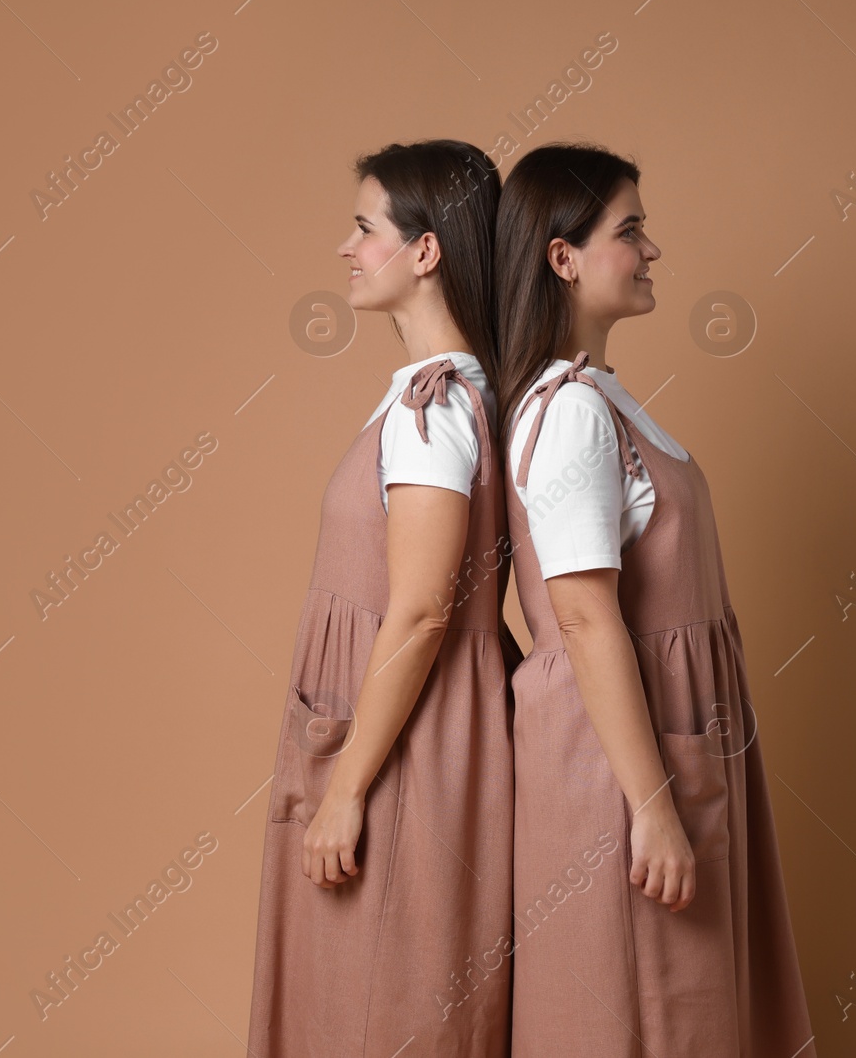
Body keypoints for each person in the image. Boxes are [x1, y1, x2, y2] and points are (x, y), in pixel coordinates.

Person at [494, 141, 818, 1057]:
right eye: (630, 229)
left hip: (665, 747)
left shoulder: (600, 399)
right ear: (564, 257)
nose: (651, 250)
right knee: (646, 1019)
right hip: (621, 767)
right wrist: (651, 805)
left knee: (689, 1014)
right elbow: (586, 616)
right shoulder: (572, 416)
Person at [247, 139, 517, 1056]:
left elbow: (422, 608)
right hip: (410, 736)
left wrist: (345, 790)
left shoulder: (434, 410)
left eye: (365, 228)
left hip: (405, 749)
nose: (346, 249)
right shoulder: (436, 397)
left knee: (381, 1010)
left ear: (426, 250)